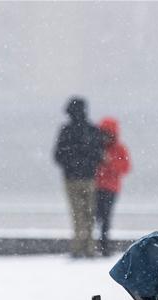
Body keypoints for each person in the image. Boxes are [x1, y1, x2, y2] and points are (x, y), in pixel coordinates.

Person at [53, 96, 104, 258]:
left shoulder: (66, 130)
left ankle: (78, 247)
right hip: (89, 178)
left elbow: (57, 155)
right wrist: (88, 164)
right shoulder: (92, 130)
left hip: (71, 179)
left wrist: (71, 165)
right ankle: (89, 247)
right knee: (90, 214)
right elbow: (99, 154)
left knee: (77, 214)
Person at [94, 117, 131, 256]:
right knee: (96, 216)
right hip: (97, 187)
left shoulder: (120, 149)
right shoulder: (96, 147)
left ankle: (104, 245)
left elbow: (125, 167)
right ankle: (97, 245)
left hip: (110, 189)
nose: (105, 137)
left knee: (105, 217)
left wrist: (109, 164)